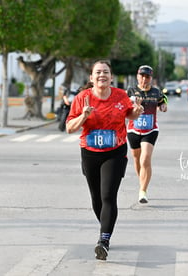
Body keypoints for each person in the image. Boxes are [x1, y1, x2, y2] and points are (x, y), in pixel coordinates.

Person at [66, 60, 144, 261]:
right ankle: (106, 227)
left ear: (111, 77)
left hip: (115, 152)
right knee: (97, 199)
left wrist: (137, 111)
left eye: (106, 72)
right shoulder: (82, 98)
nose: (102, 75)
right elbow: (69, 128)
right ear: (91, 78)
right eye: (98, 72)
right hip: (90, 153)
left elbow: (131, 115)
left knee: (108, 195)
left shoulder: (120, 96)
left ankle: (104, 241)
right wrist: (84, 116)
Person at [126, 65, 167, 204]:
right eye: (142, 76)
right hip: (133, 130)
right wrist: (133, 108)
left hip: (150, 130)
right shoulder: (131, 91)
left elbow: (163, 100)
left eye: (147, 76)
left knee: (145, 158)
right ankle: (141, 181)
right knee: (137, 159)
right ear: (138, 76)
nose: (144, 79)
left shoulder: (156, 91)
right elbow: (123, 107)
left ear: (151, 78)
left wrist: (163, 106)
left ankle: (143, 191)